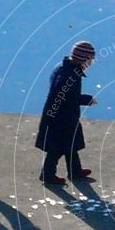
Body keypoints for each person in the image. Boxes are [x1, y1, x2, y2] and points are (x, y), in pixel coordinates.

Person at [35, 41, 98, 184]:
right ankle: (47, 175)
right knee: (56, 148)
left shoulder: (64, 69)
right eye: (90, 60)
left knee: (71, 143)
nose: (91, 63)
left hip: (64, 116)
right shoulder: (70, 75)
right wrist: (86, 99)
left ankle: (75, 171)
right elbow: (65, 96)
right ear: (84, 59)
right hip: (60, 118)